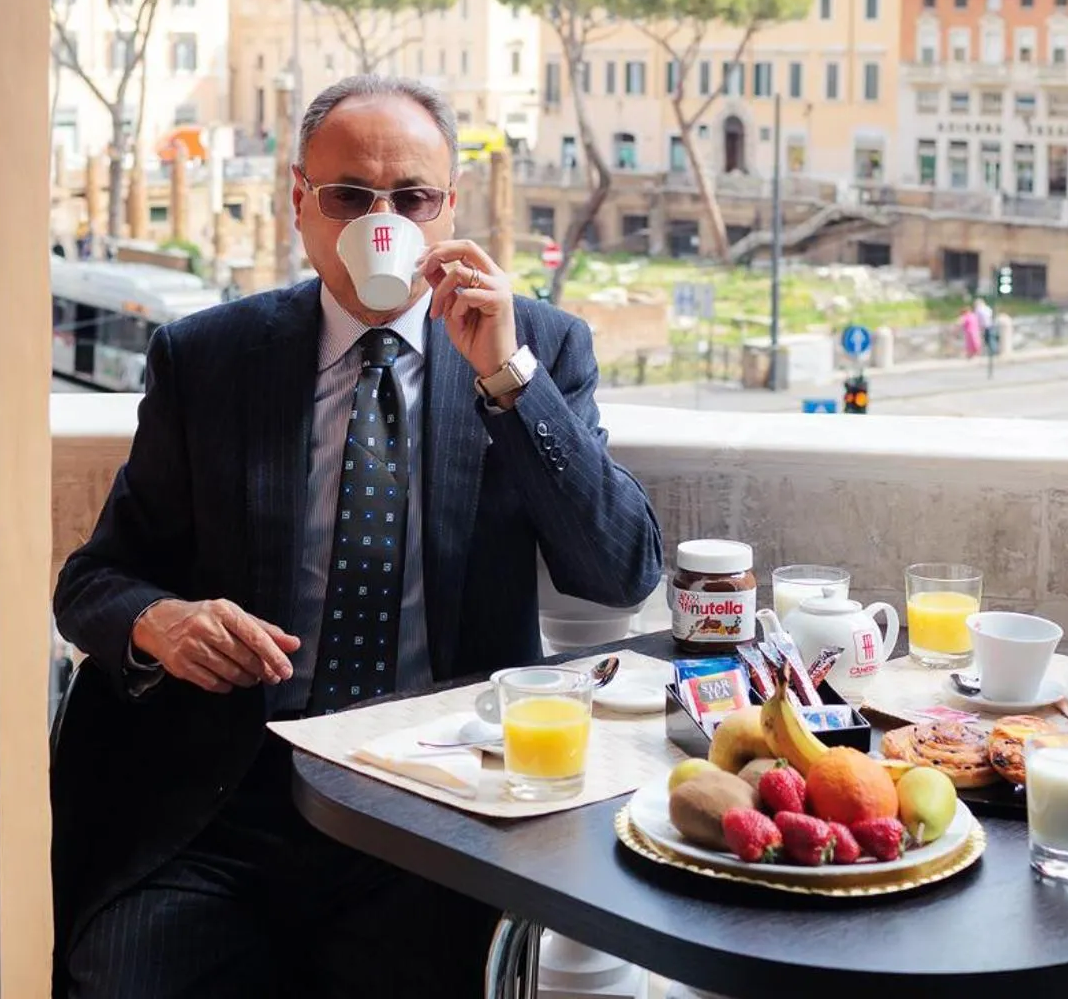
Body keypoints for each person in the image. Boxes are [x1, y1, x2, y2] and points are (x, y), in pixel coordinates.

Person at [51, 76, 664, 999]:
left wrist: (507, 380)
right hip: (232, 798)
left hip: (439, 799)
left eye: (411, 198)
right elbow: (94, 580)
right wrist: (161, 622)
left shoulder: (537, 346)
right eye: (349, 197)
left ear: (447, 208)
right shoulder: (210, 358)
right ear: (301, 203)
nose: (384, 219)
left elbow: (619, 573)